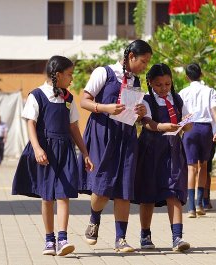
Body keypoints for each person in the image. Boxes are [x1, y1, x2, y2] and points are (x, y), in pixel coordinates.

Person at [12, 56, 94, 256]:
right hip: (46, 150)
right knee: (47, 196)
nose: (72, 78)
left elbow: (74, 127)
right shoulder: (37, 95)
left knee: (64, 194)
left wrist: (84, 153)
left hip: (65, 150)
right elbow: (30, 123)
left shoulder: (68, 98)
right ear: (58, 75)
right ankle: (49, 240)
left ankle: (63, 238)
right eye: (69, 74)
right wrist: (37, 149)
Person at [78, 39, 152, 252]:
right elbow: (84, 101)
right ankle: (94, 219)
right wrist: (105, 107)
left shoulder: (136, 81)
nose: (145, 66)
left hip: (127, 136)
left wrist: (140, 113)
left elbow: (134, 113)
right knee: (102, 187)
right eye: (143, 62)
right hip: (103, 134)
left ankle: (121, 239)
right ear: (131, 57)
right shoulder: (104, 72)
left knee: (124, 188)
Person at [134, 63, 191, 251]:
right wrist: (162, 126)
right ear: (150, 83)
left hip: (173, 149)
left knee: (174, 190)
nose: (164, 88)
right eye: (159, 85)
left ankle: (177, 237)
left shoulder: (178, 99)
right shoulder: (146, 100)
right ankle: (145, 235)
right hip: (151, 149)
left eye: (167, 84)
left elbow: (187, 123)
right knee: (148, 193)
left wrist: (186, 124)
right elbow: (146, 122)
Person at [178, 63, 216, 218]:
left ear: (186, 77)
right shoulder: (209, 91)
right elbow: (214, 109)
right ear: (201, 74)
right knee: (203, 166)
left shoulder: (182, 93)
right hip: (205, 129)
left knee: (191, 168)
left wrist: (179, 129)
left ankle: (190, 208)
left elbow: (180, 115)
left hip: (189, 129)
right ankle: (199, 204)